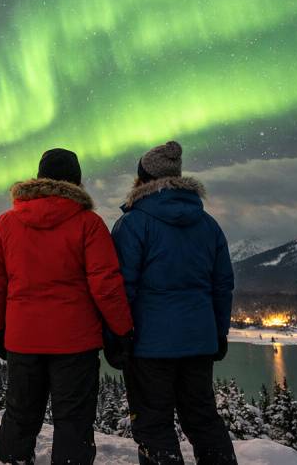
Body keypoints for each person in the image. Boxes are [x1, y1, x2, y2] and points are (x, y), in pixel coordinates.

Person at [0, 148, 134, 465]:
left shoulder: (7, 223)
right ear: (77, 182)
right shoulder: (88, 224)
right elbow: (106, 284)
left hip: (24, 341)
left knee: (20, 415)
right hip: (75, 344)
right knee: (73, 423)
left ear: (38, 178)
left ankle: (11, 460)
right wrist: (121, 330)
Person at [110, 141, 237, 465]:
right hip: (198, 341)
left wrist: (118, 335)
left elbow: (122, 286)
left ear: (142, 179)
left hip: (150, 345)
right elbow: (222, 285)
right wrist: (218, 332)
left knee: (154, 425)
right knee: (203, 418)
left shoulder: (133, 224)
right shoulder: (208, 225)